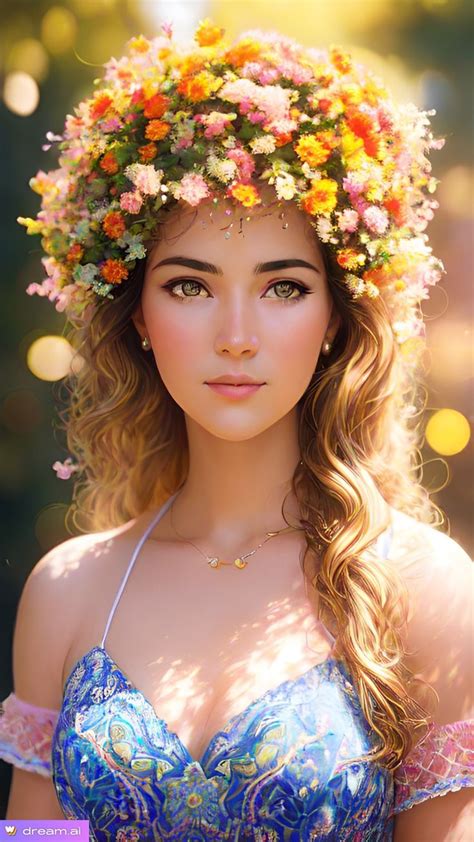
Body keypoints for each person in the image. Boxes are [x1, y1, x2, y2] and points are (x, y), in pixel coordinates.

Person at [1, 18, 472, 839]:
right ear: (137, 312)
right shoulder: (69, 593)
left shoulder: (425, 588)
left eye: (283, 287)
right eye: (189, 286)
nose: (237, 334)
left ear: (335, 315)